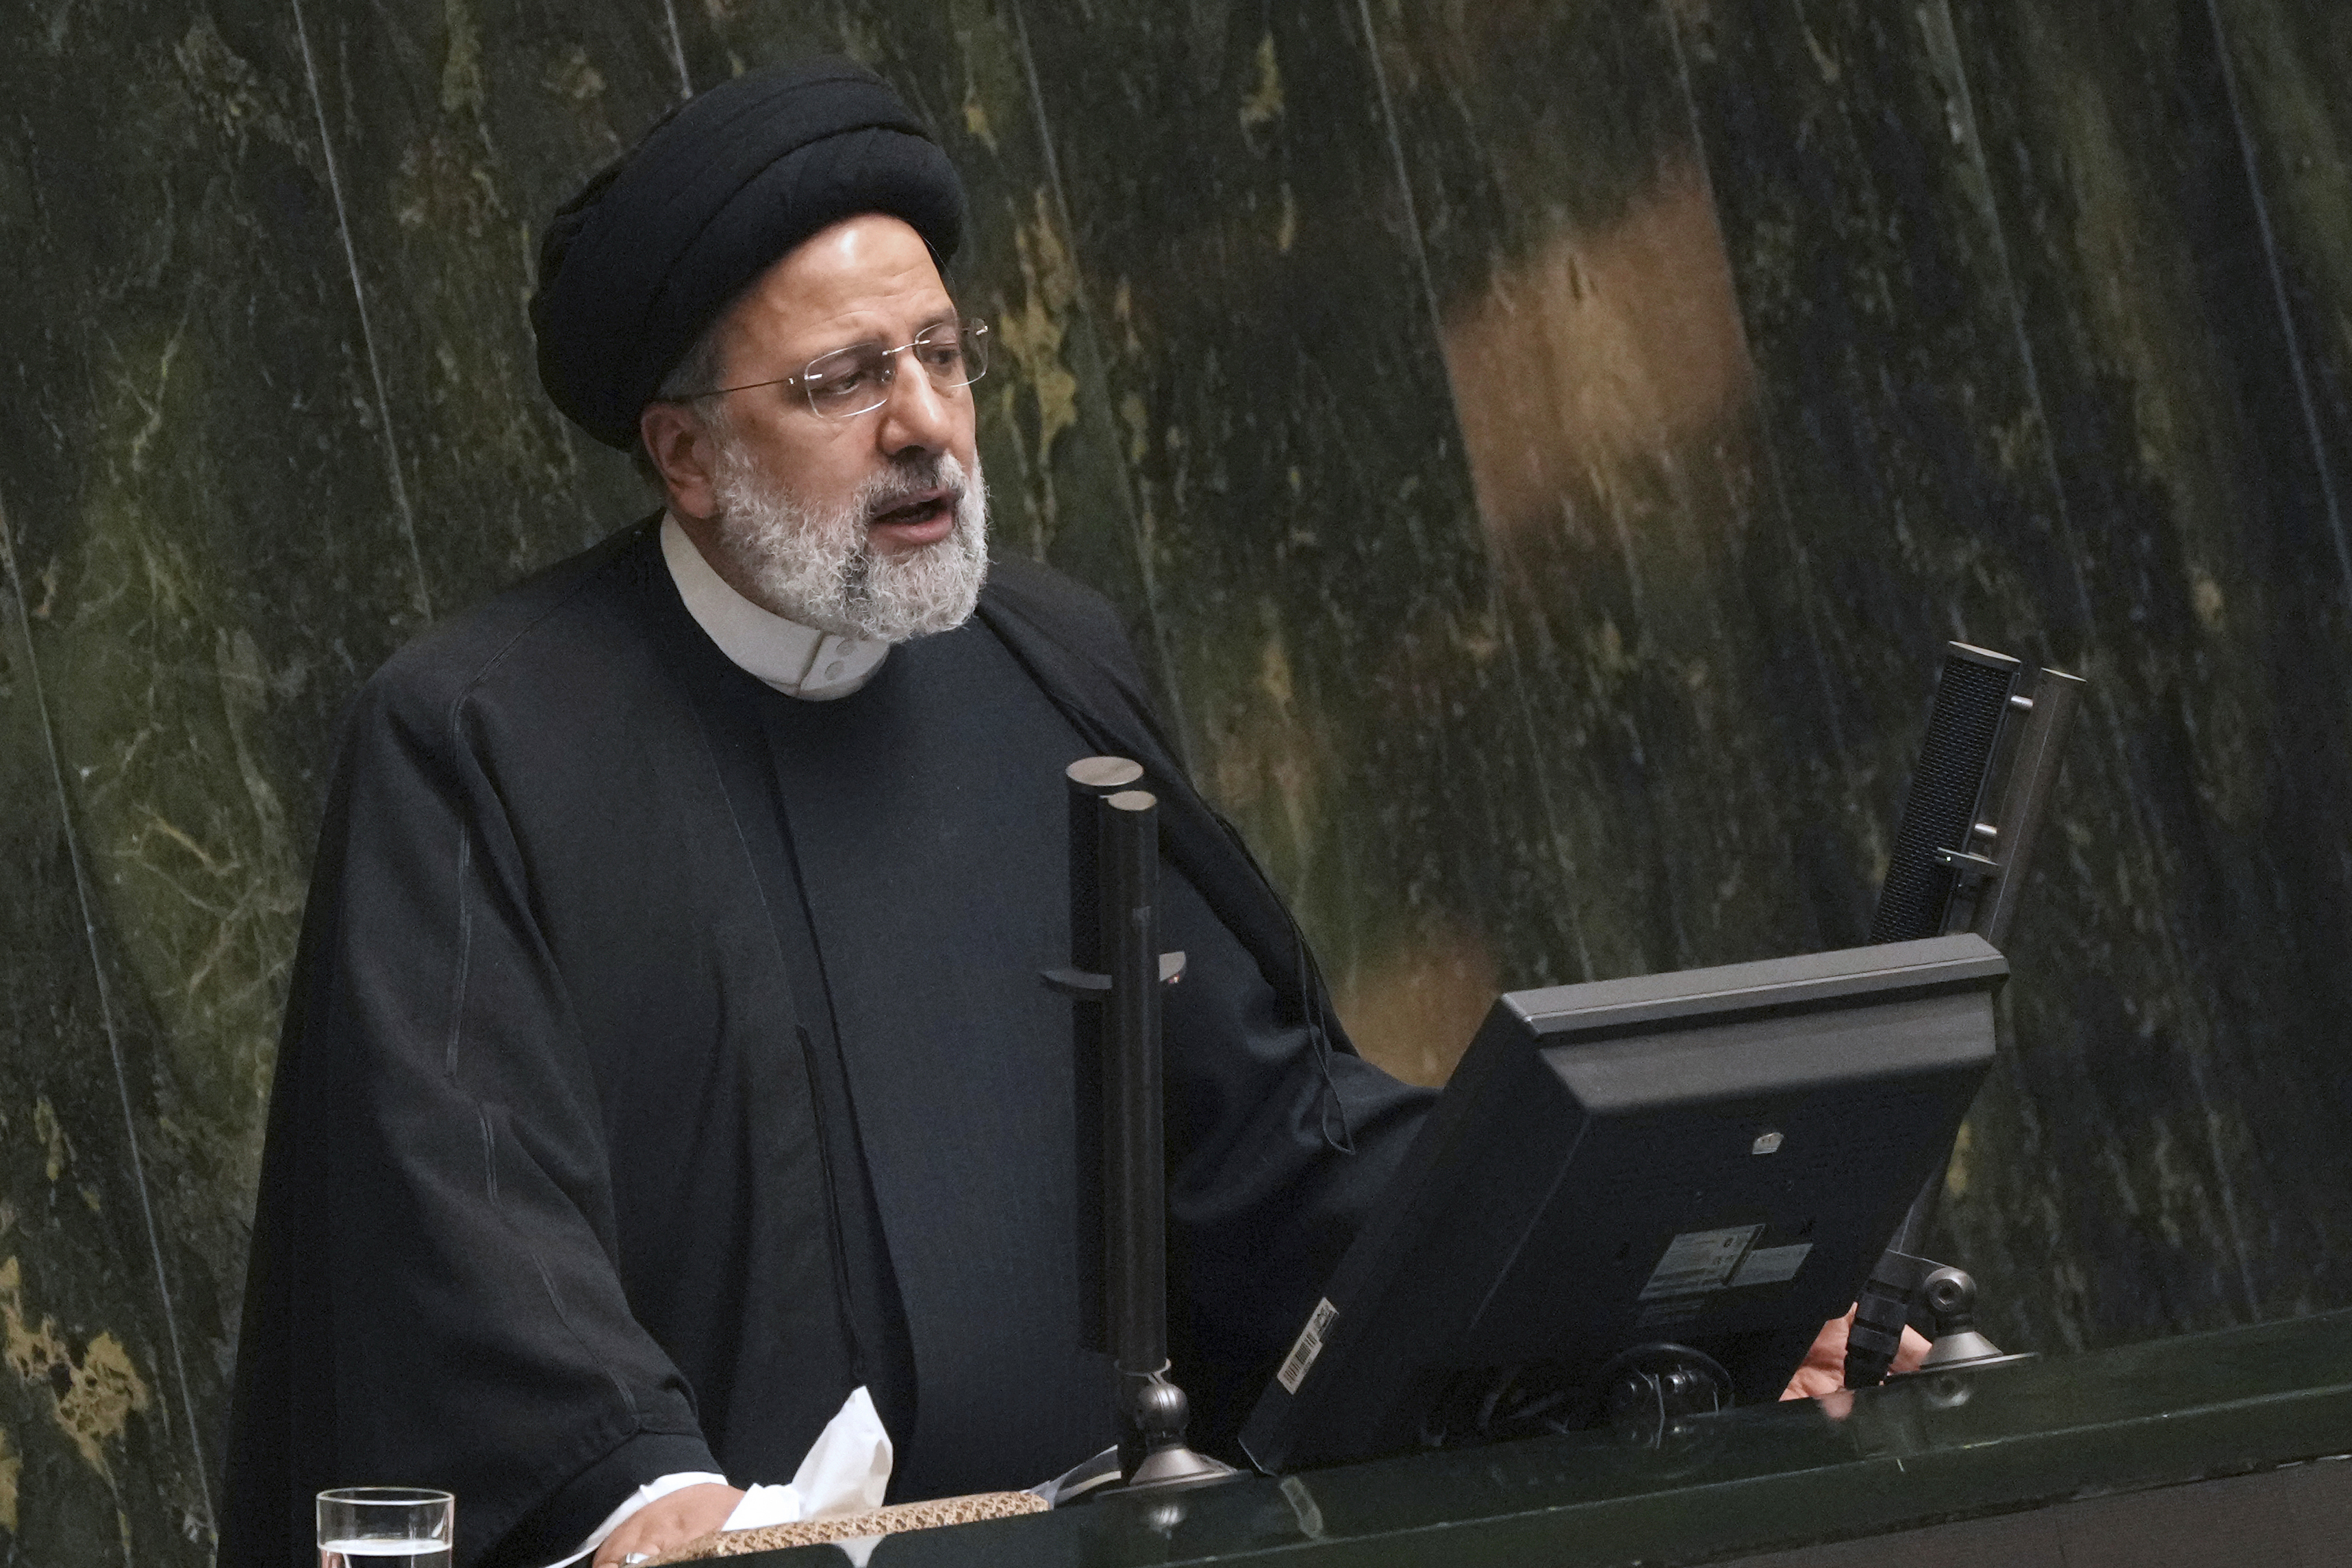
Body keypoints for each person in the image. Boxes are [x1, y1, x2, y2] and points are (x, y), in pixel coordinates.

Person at [218, 56, 1918, 1568]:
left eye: (943, 357)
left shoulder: (1043, 663)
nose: (927, 429)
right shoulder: (486, 733)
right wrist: (646, 1488)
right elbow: (458, 1215)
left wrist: (1613, 1283)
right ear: (680, 455)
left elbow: (1259, 1134)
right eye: (840, 382)